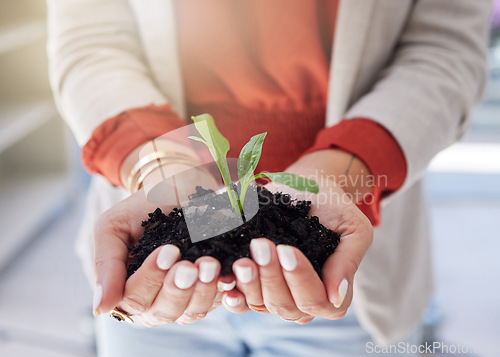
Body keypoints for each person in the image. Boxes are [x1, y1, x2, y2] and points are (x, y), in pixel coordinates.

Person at [47, 0, 491, 356]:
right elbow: (91, 41)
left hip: (351, 264)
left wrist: (335, 173)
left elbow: (443, 49)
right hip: (152, 271)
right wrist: (161, 168)